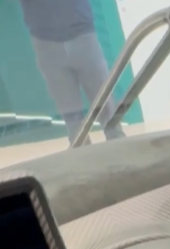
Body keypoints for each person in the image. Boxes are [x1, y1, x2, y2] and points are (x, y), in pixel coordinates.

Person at [18, 0, 125, 143]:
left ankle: (117, 141)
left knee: (104, 101)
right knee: (70, 113)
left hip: (82, 34)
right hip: (45, 41)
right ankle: (80, 147)